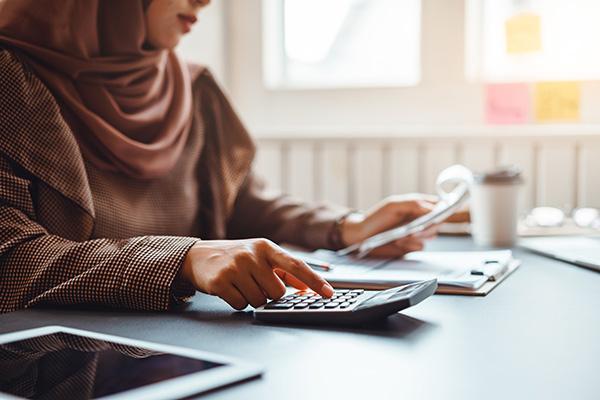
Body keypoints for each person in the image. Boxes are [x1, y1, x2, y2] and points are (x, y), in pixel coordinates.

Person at [0, 0, 438, 314]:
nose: (205, 2)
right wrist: (182, 260)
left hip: (193, 345)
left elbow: (240, 204)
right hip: (55, 367)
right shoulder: (10, 85)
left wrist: (346, 227)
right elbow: (10, 257)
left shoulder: (191, 88)